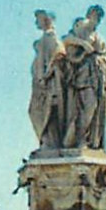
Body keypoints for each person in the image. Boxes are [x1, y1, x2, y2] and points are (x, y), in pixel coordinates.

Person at [59, 5, 106, 148]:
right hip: (85, 74)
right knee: (88, 107)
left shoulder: (99, 36)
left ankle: (91, 142)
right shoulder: (82, 28)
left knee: (97, 111)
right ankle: (79, 140)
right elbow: (65, 40)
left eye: (99, 17)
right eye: (94, 15)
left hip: (100, 75)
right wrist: (83, 44)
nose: (96, 19)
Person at [28, 10, 65, 148]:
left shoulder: (50, 37)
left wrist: (46, 74)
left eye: (38, 19)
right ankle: (47, 141)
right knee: (39, 111)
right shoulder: (45, 38)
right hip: (41, 86)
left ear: (46, 20)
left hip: (47, 85)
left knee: (45, 111)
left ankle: (50, 142)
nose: (36, 22)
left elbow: (60, 53)